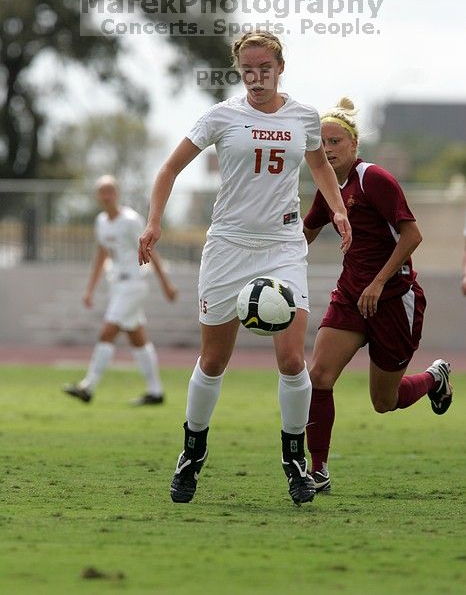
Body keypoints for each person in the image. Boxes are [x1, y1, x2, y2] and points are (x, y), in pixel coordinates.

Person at [138, 31, 351, 506]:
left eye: (265, 68)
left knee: (293, 360)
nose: (257, 77)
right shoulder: (222, 116)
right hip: (228, 247)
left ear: (280, 68)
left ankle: (294, 461)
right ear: (240, 71)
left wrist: (337, 209)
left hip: (282, 245)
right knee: (214, 361)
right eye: (248, 69)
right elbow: (169, 169)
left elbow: (319, 167)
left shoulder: (304, 117)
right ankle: (192, 453)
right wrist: (154, 222)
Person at [303, 97, 453, 493]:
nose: (328, 148)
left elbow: (412, 235)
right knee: (317, 376)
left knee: (384, 402)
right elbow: (305, 234)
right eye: (321, 142)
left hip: (394, 299)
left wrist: (379, 282)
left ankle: (434, 377)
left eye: (335, 141)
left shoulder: (374, 179)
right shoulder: (327, 188)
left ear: (354, 146)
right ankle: (317, 470)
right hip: (350, 296)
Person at [63, 175, 177, 405]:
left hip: (133, 284)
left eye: (110, 191)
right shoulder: (101, 222)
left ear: (117, 194)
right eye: (102, 192)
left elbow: (150, 249)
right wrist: (90, 290)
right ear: (98, 196)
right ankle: (155, 392)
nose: (106, 196)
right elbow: (101, 255)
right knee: (138, 338)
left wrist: (166, 283)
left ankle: (88, 386)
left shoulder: (131, 220)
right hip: (117, 285)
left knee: (106, 332)